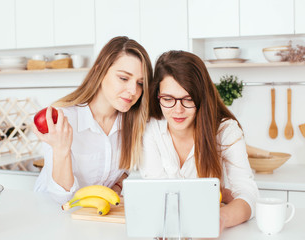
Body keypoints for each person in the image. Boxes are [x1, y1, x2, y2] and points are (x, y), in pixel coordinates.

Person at [138, 50, 259, 233]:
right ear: (158, 96)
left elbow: (248, 195)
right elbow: (159, 197)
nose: (178, 110)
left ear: (201, 97)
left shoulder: (225, 131)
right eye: (168, 99)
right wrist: (223, 195)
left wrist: (219, 219)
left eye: (188, 99)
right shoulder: (150, 130)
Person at [33, 36, 153, 204]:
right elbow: (63, 198)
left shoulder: (133, 124)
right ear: (100, 71)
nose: (133, 90)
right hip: (51, 214)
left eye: (140, 83)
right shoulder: (63, 119)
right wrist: (61, 150)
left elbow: (125, 170)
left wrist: (115, 189)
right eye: (124, 78)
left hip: (94, 217)